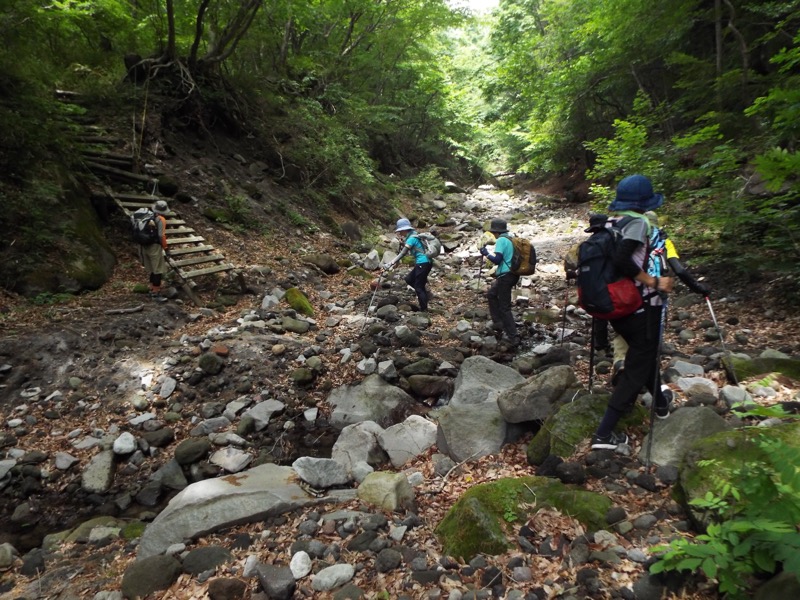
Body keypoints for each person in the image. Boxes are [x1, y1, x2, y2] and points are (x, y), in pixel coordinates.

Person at [590, 174, 675, 450]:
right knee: (636, 369)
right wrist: (653, 281)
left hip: (617, 305)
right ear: (644, 203)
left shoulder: (611, 222)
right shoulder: (638, 223)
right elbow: (622, 259)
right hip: (641, 306)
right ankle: (603, 434)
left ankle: (660, 405)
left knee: (644, 355)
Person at [608, 210, 711, 385]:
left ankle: (621, 363)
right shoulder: (663, 241)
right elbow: (679, 270)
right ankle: (643, 374)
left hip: (628, 292)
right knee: (650, 335)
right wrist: (699, 288)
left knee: (624, 332)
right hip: (655, 294)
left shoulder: (630, 236)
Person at [480, 218, 520, 347]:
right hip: (512, 274)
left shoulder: (501, 240)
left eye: (493, 232)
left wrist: (486, 253)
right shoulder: (510, 239)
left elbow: (497, 260)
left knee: (504, 307)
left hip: (505, 275)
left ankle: (513, 336)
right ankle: (498, 323)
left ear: (496, 231)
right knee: (491, 294)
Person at [382, 218, 433, 312]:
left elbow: (403, 253)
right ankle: (425, 293)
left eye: (400, 231)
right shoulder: (414, 235)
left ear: (405, 229)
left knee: (418, 287)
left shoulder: (411, 239)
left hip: (423, 263)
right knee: (409, 279)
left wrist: (390, 263)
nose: (399, 233)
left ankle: (424, 309)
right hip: (425, 262)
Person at [139, 199, 170, 302]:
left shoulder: (147, 216)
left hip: (144, 246)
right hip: (154, 247)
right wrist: (166, 248)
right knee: (158, 270)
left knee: (153, 269)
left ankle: (152, 289)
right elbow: (161, 235)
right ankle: (156, 294)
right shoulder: (160, 219)